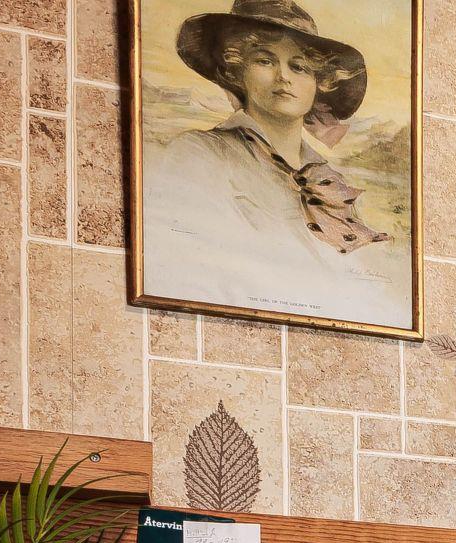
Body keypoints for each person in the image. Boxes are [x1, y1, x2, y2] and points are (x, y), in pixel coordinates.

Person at [141, 0, 410, 329]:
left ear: (317, 84)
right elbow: (187, 267)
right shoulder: (198, 155)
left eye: (299, 67)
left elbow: (362, 292)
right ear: (237, 72)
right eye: (265, 61)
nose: (283, 76)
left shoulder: (330, 183)